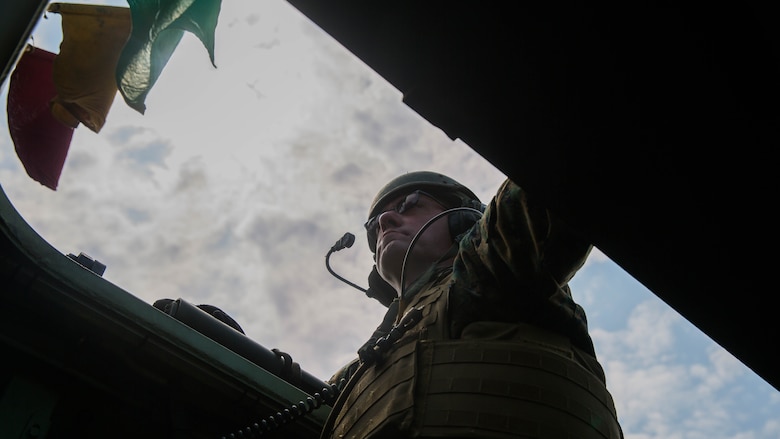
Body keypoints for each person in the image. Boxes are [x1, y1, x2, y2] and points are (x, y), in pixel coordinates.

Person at [323, 170, 623, 439]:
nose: (384, 222)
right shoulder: (362, 369)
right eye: (375, 226)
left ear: (462, 219)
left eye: (408, 204)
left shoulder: (493, 268)